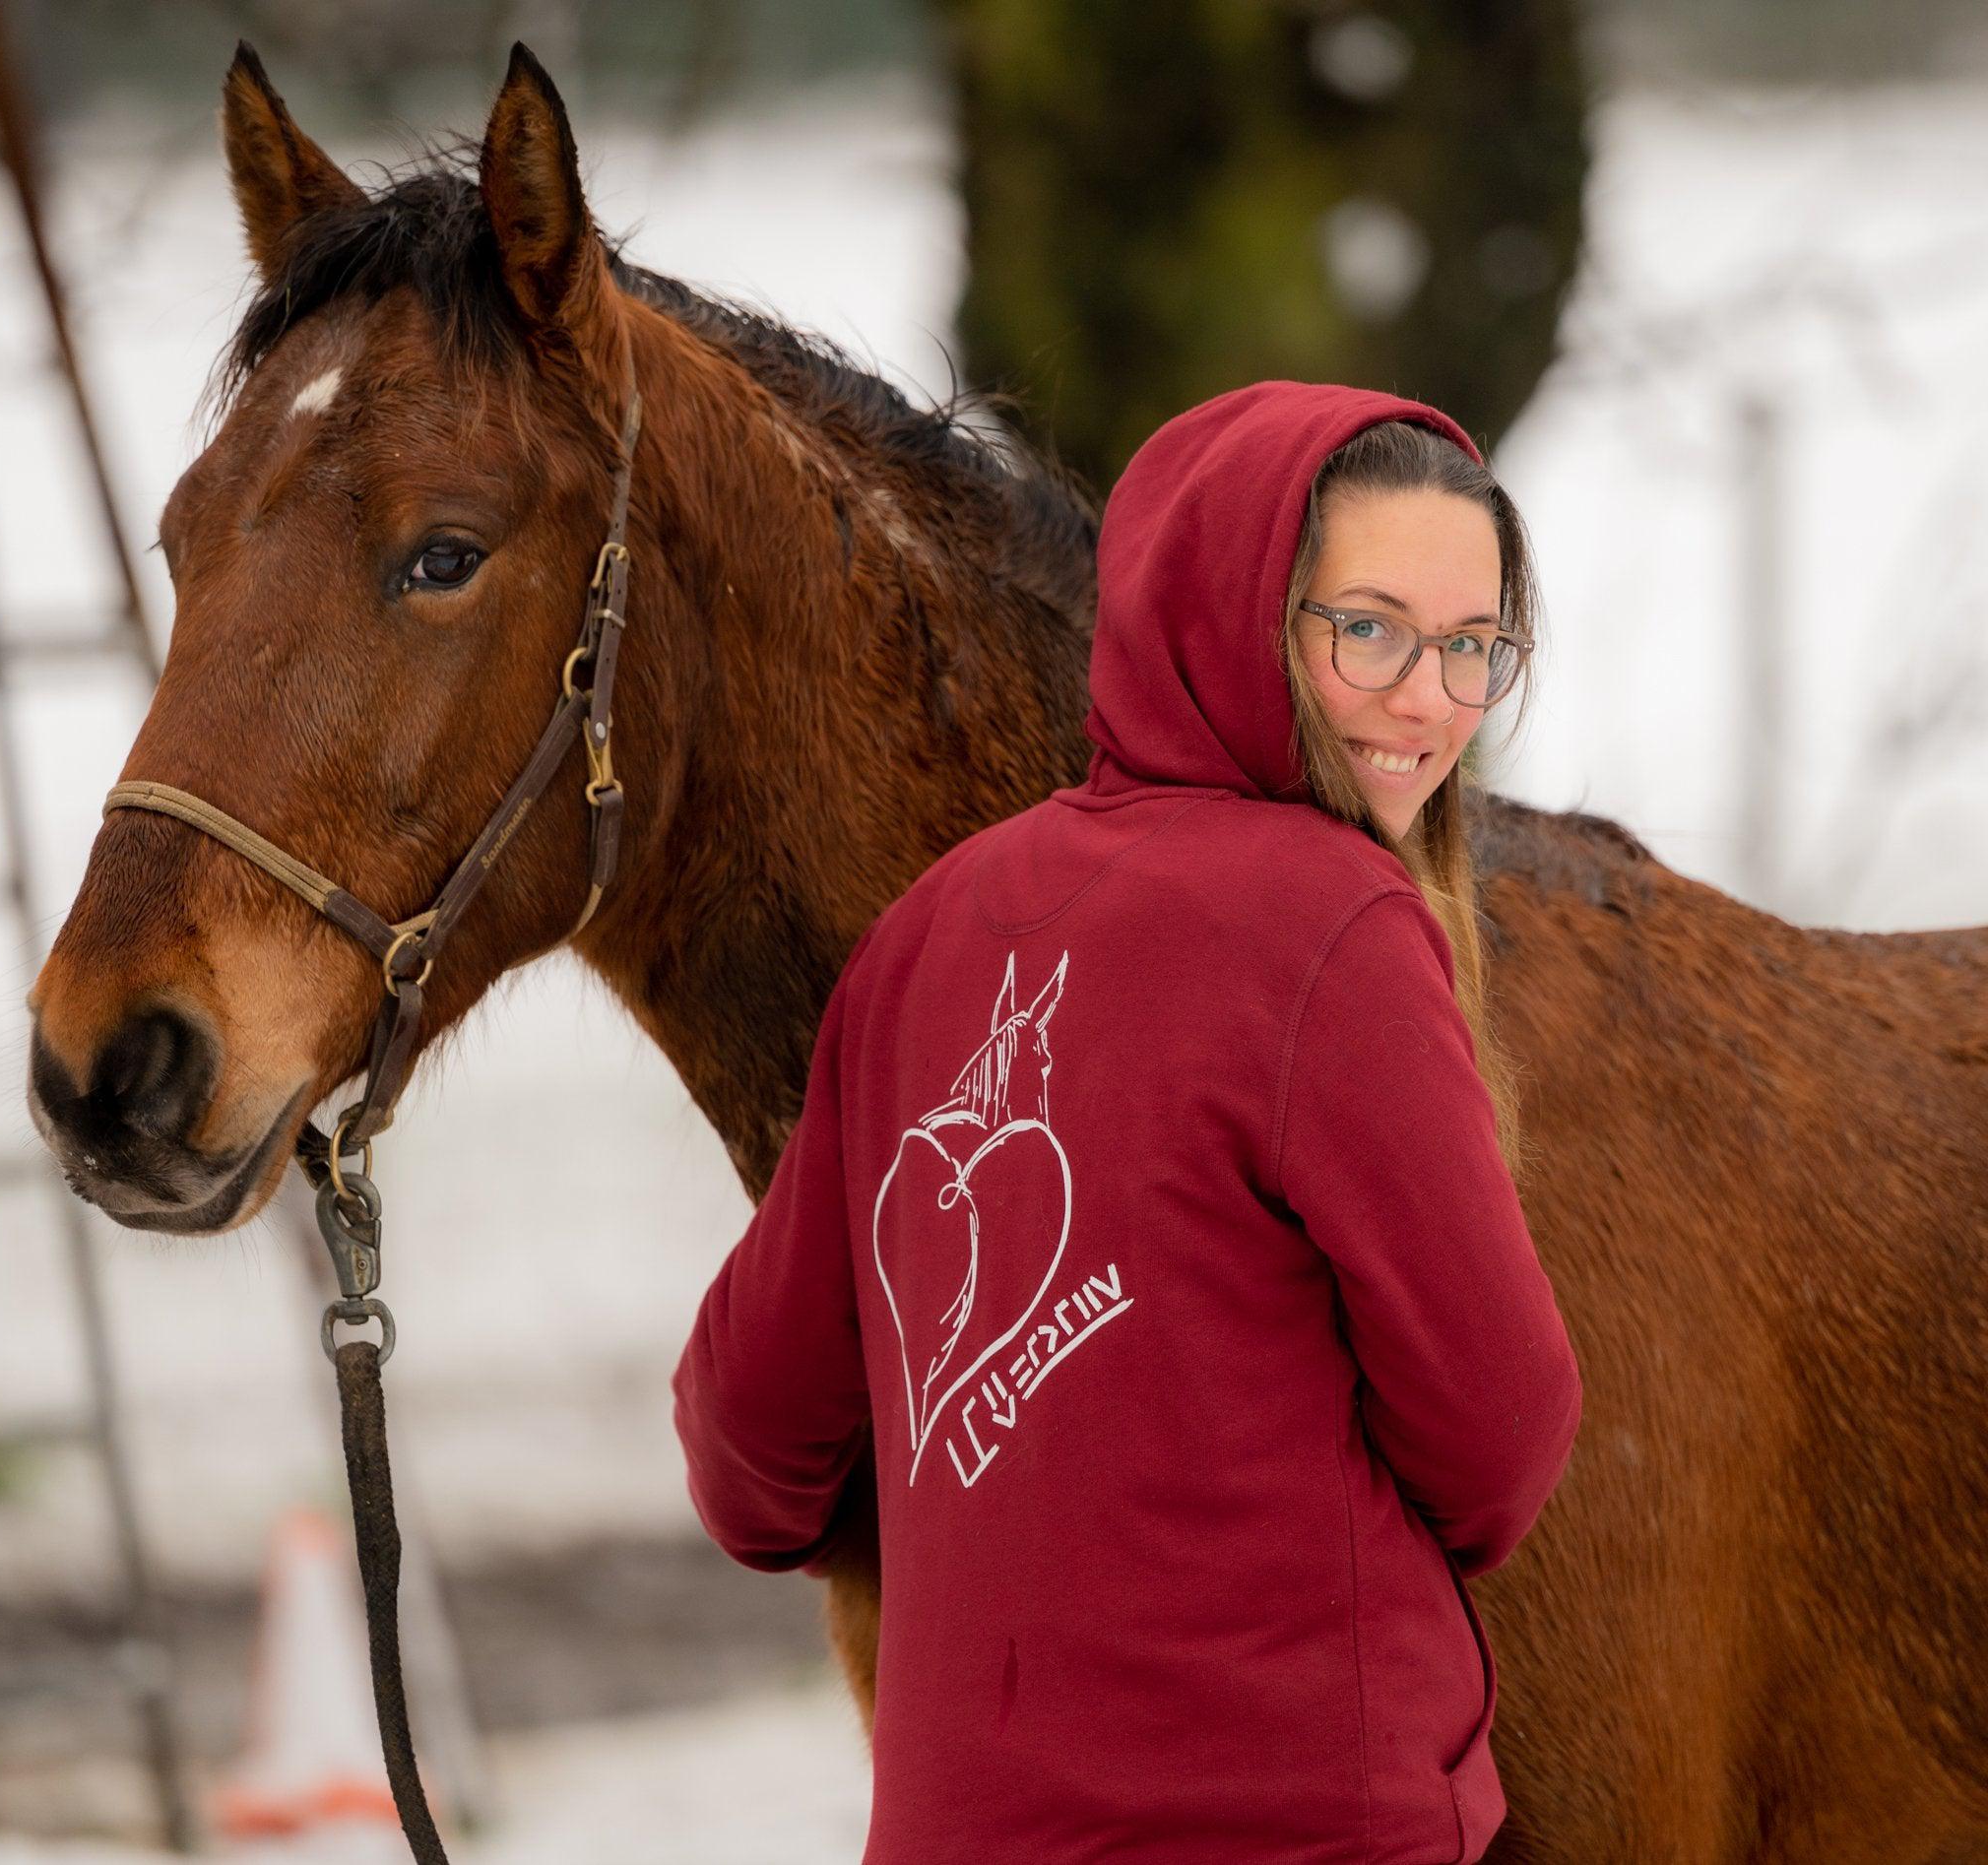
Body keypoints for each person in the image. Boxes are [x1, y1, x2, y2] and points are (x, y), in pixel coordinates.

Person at [671, 381, 1583, 1863]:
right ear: (1232, 608)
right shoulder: (1333, 920)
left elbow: (744, 1448)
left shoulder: (925, 937)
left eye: (1471, 645)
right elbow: (1503, 1434)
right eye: (1367, 629)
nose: (1428, 697)